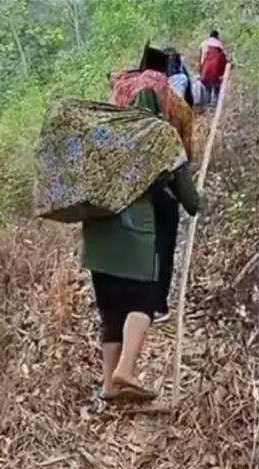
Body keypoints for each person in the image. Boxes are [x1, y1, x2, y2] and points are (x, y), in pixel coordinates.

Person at [82, 88, 200, 401]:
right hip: (134, 238)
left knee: (111, 312)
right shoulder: (161, 137)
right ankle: (125, 370)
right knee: (145, 301)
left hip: (96, 239)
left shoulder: (107, 137)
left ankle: (109, 386)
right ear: (158, 112)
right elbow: (190, 201)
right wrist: (191, 197)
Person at [198, 30, 229, 106]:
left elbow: (202, 58)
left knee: (207, 86)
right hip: (217, 69)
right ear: (217, 36)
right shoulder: (220, 45)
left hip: (206, 67)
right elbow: (225, 58)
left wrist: (200, 70)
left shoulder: (204, 44)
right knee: (217, 85)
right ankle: (215, 102)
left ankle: (207, 102)